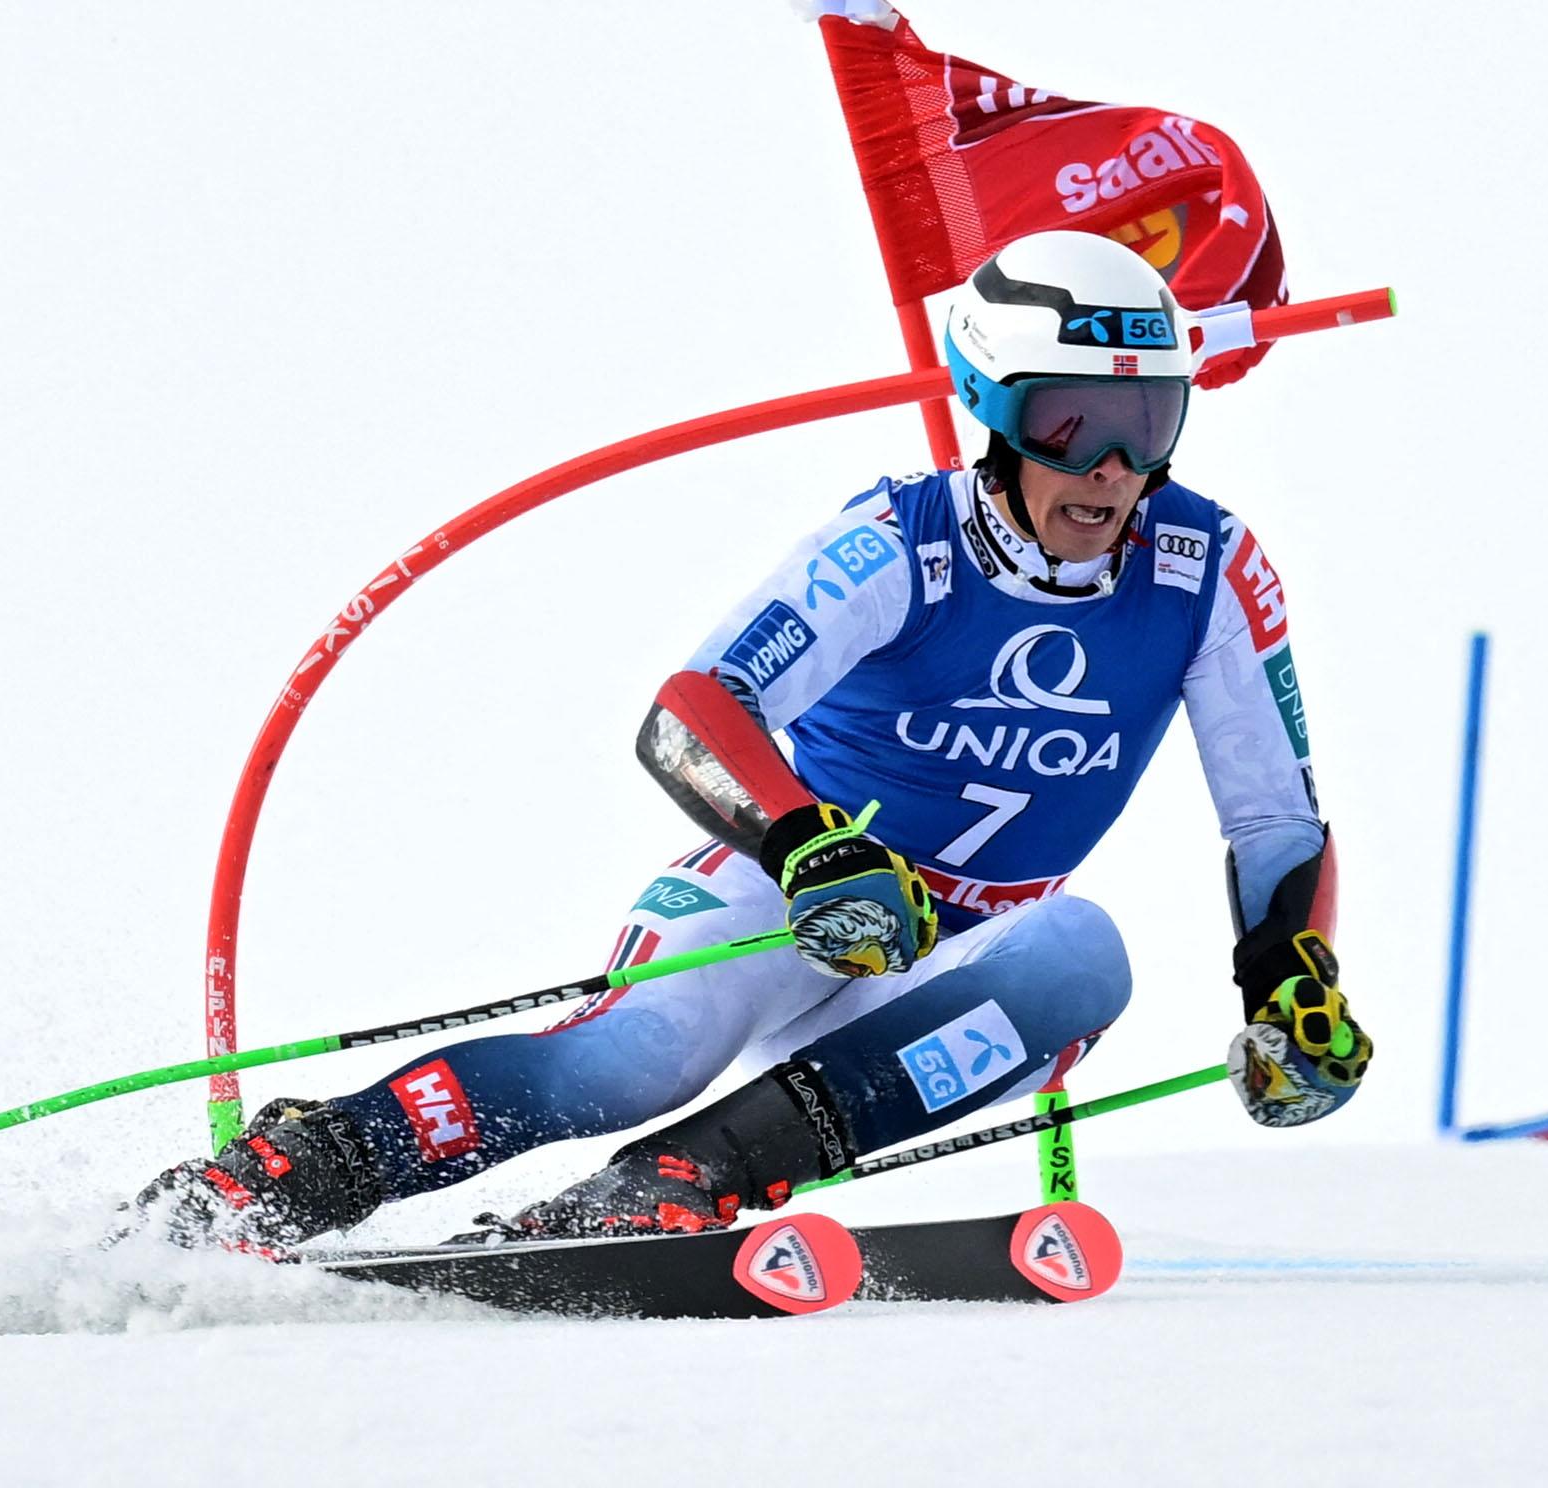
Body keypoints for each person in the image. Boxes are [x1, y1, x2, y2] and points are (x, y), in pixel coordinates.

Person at [119, 228, 1371, 1252]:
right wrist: (809, 844)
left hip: (947, 965)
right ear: (993, 410)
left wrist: (1290, 983)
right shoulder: (900, 543)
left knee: (1080, 958)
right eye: (1067, 427)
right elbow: (691, 716)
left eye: (1145, 427)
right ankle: (303, 1166)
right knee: (635, 1059)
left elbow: (1274, 818)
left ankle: (672, 1189)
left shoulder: (1208, 570)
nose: (1108, 471)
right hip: (787, 898)